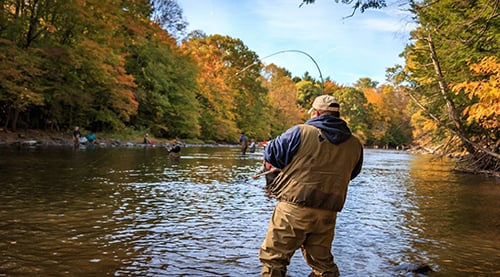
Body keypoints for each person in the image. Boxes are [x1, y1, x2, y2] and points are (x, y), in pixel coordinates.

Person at [259, 95, 364, 277]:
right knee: (322, 264)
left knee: (274, 259)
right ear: (338, 115)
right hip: (328, 213)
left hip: (293, 208)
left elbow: (272, 155)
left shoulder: (300, 132)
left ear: (315, 113)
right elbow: (352, 173)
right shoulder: (355, 144)